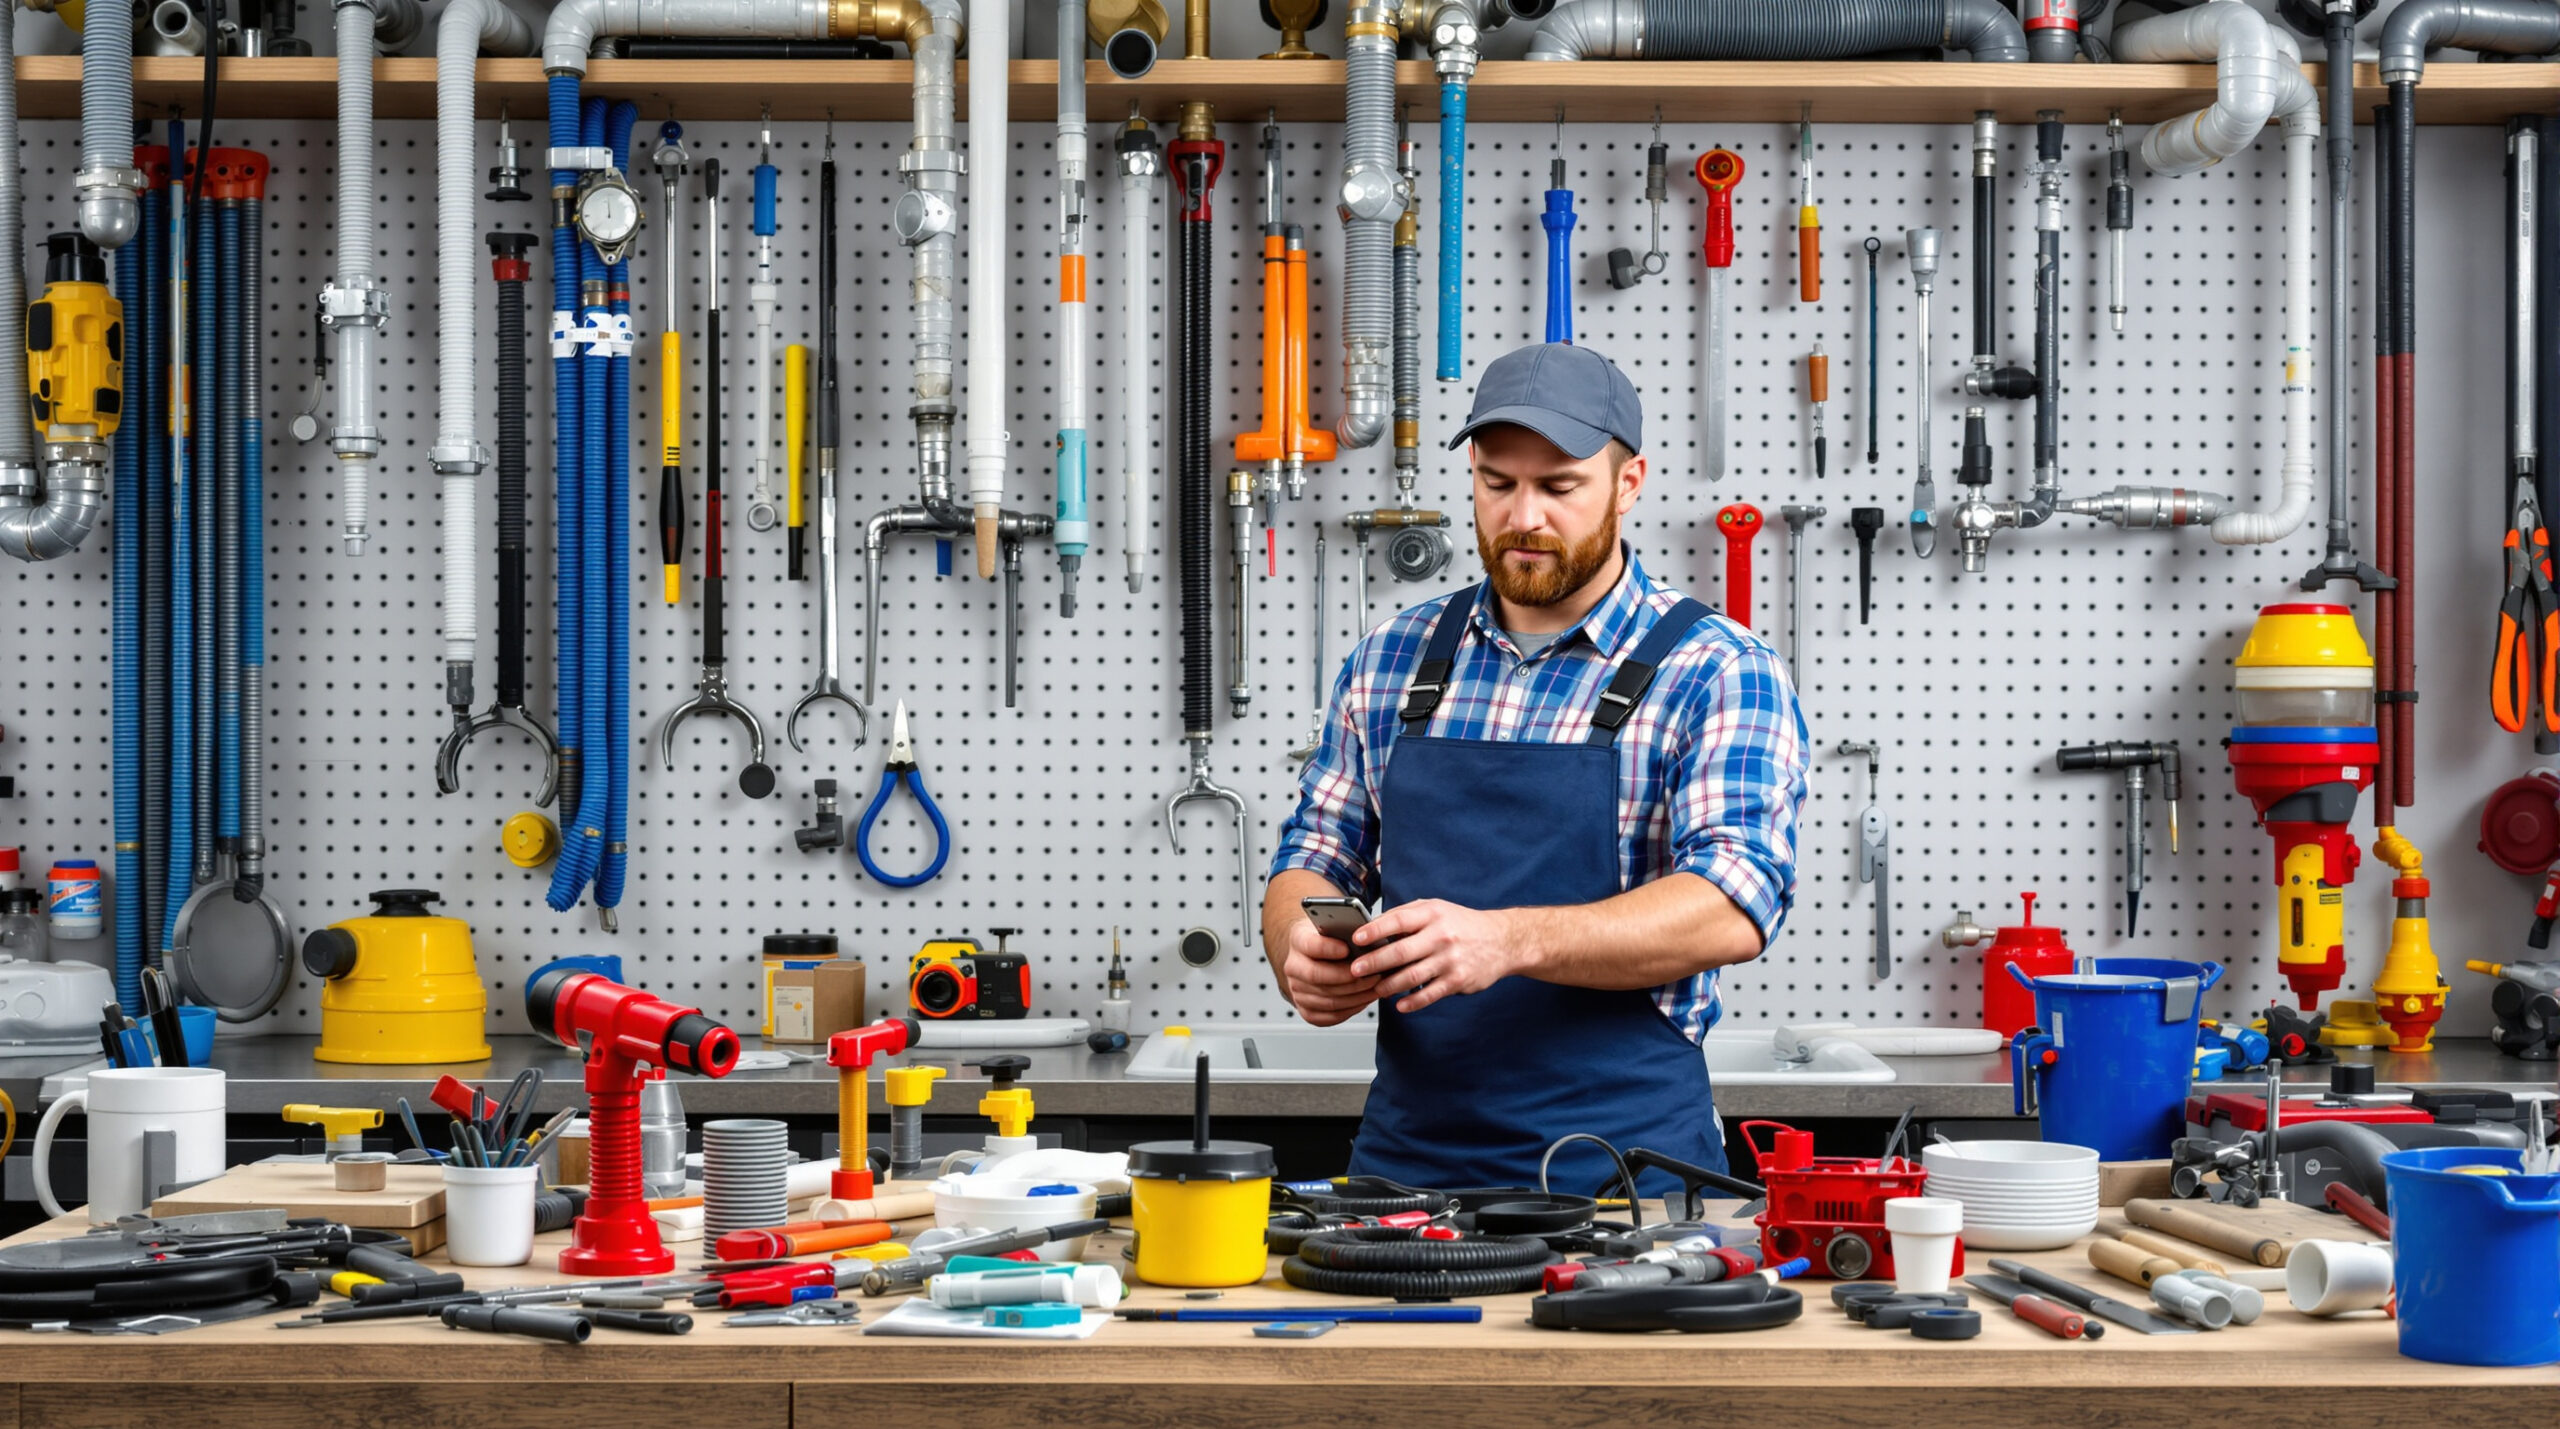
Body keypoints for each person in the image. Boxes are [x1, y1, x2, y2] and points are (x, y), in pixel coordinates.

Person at [1262, 342, 1809, 1192]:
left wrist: (1508, 939)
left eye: (1559, 487)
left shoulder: (1715, 667)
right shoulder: (1392, 658)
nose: (1524, 517)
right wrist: (1299, 942)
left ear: (1628, 485)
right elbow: (1313, 855)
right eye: (1497, 482)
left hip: (1626, 1183)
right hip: (1405, 1178)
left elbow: (1734, 902)